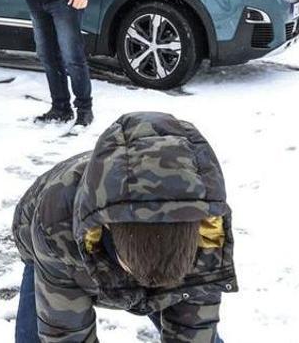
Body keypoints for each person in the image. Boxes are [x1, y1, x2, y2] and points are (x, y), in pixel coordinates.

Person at [12, 112, 235, 343]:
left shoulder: (208, 236)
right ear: (106, 227)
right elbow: (67, 337)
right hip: (53, 243)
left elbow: (195, 329)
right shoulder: (55, 227)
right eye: (133, 271)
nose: (147, 287)